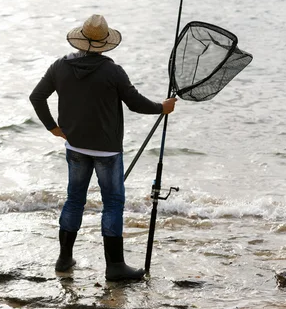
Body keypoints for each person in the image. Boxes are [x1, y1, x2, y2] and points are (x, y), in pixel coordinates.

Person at [29, 14, 177, 281]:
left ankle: (64, 259)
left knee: (74, 199)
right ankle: (115, 266)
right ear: (104, 43)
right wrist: (161, 108)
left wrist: (53, 127)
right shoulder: (112, 71)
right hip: (107, 151)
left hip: (75, 146)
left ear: (80, 39)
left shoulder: (60, 66)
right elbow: (135, 103)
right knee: (112, 204)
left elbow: (36, 97)